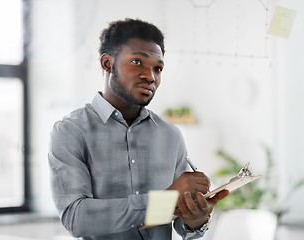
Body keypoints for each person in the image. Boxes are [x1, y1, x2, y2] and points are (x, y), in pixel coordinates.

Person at [48, 18, 229, 240]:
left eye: (158, 68)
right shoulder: (71, 131)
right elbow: (76, 219)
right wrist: (166, 199)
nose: (150, 76)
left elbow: (182, 225)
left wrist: (195, 219)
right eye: (137, 62)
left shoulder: (171, 136)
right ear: (107, 64)